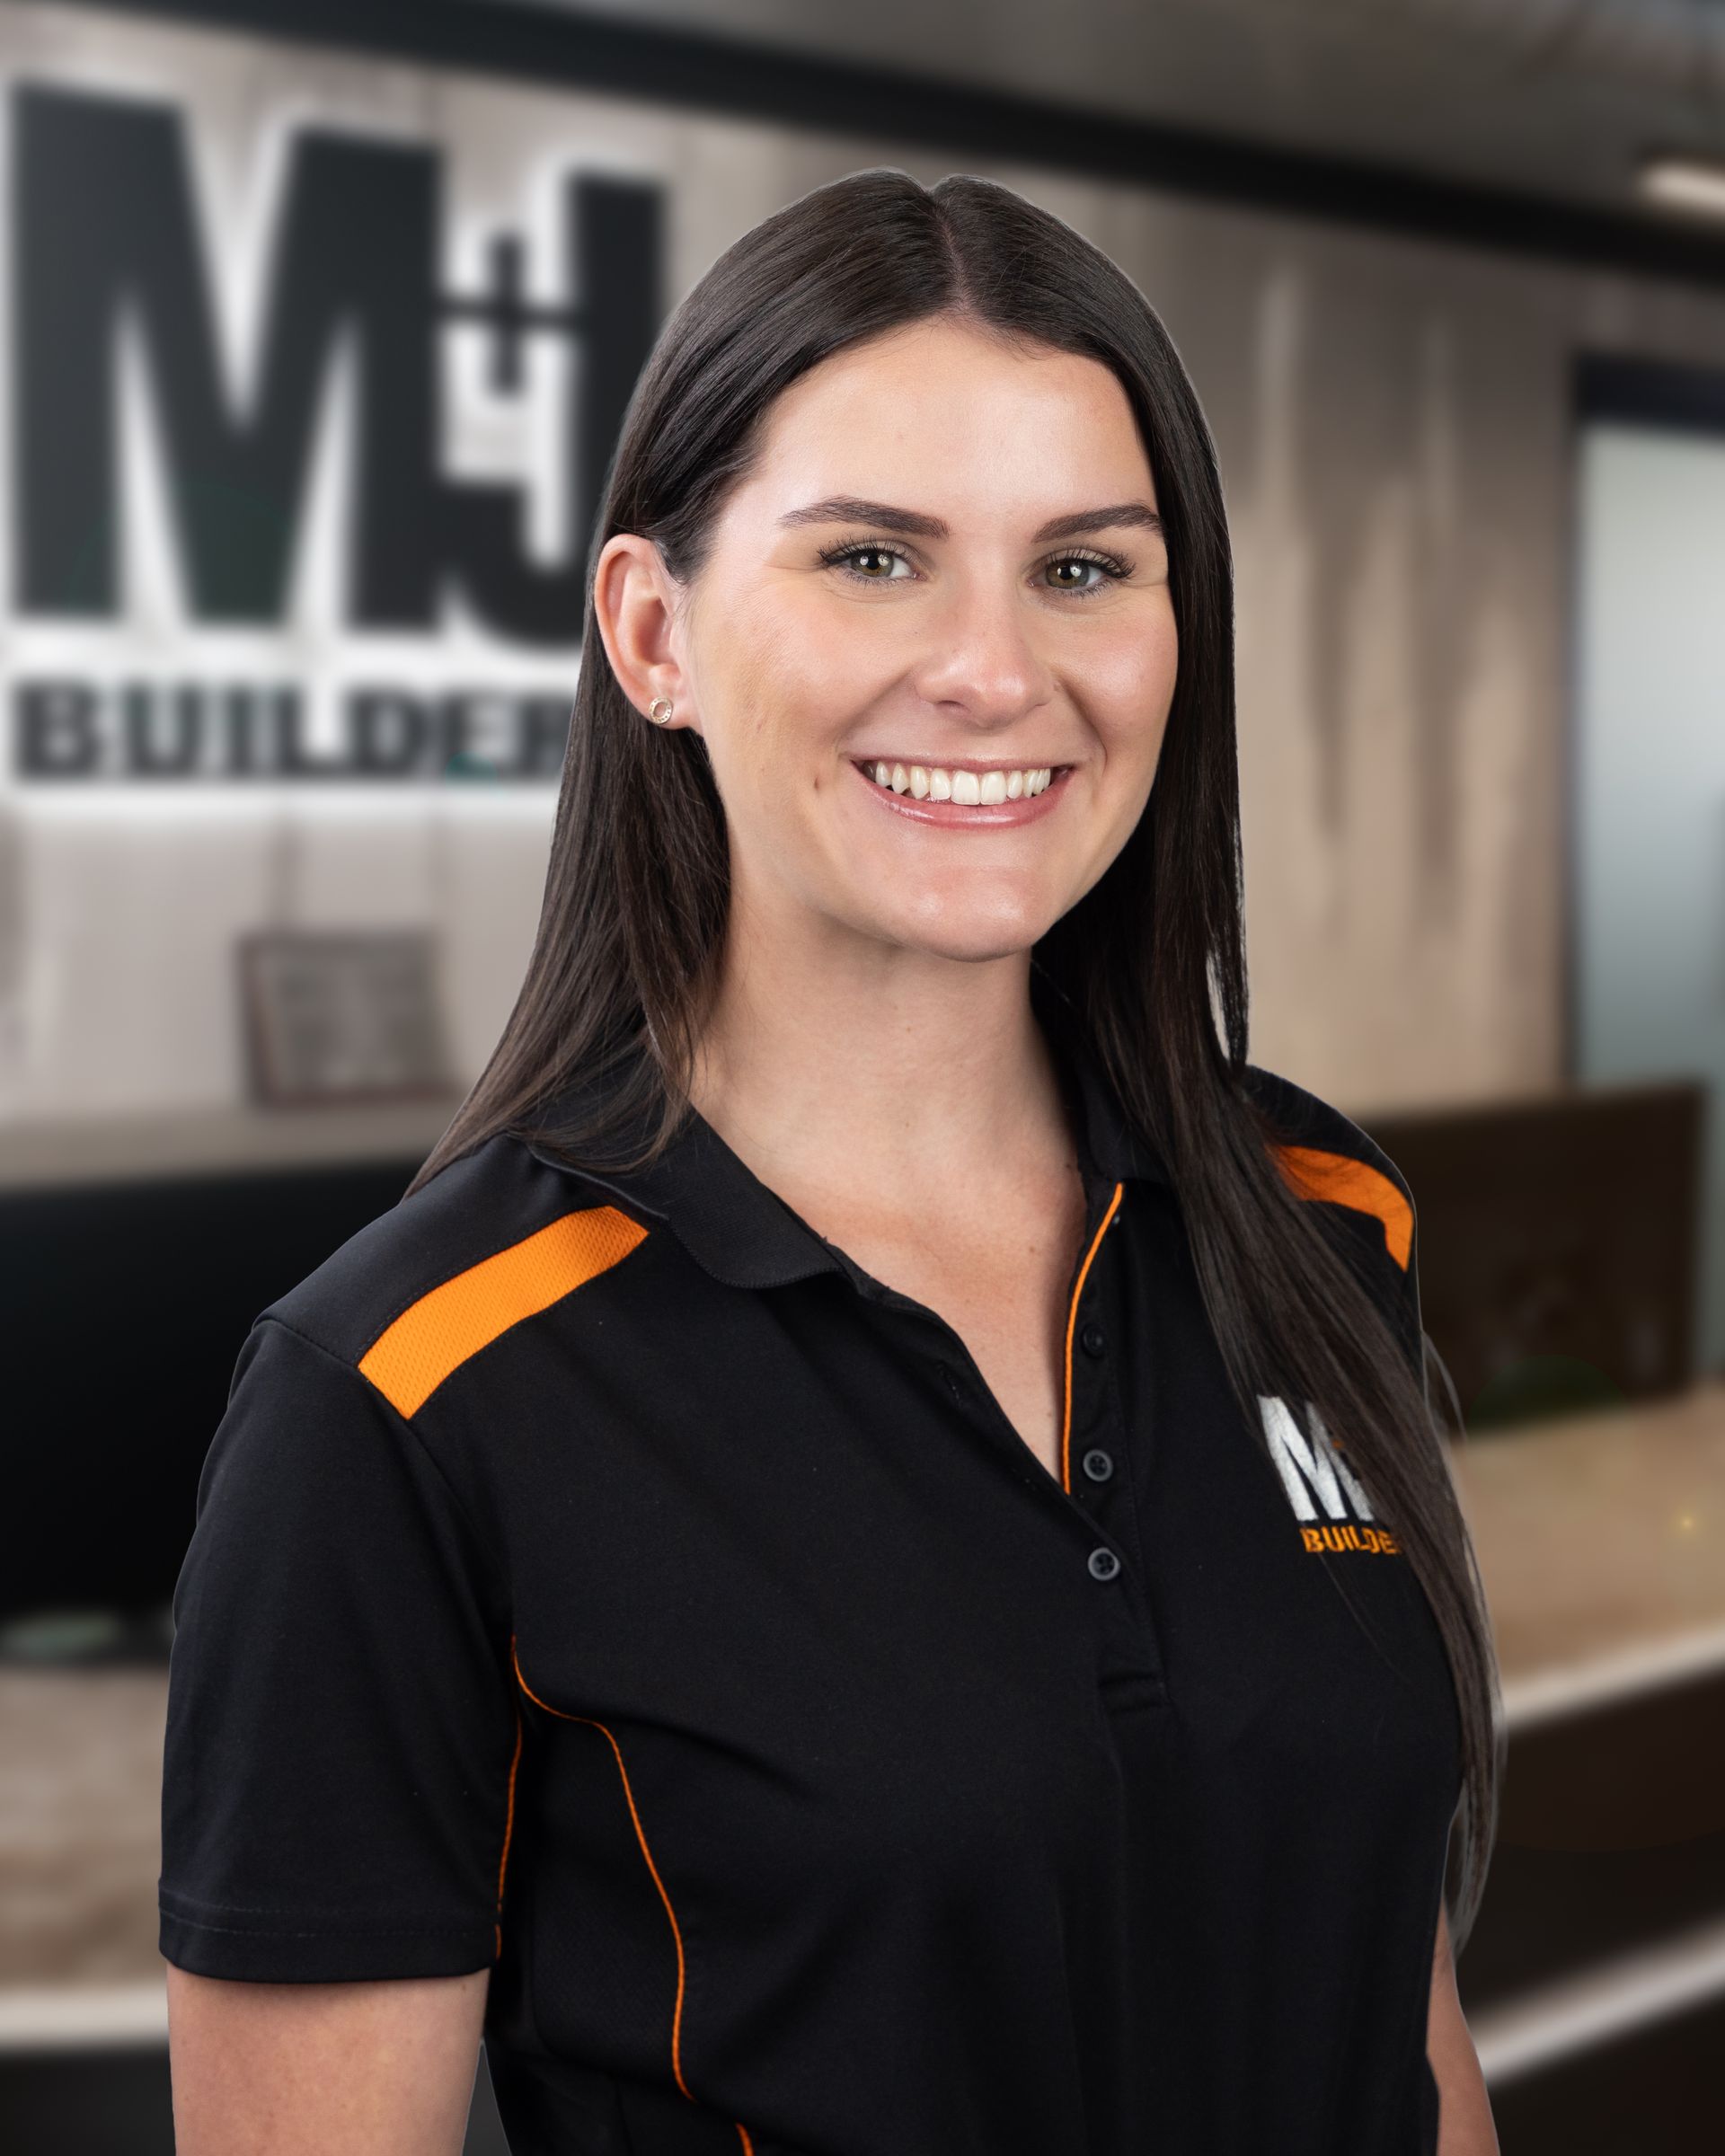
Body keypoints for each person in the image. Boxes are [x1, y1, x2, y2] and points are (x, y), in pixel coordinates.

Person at [159, 168, 1501, 2155]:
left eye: (1083, 567)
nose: (989, 668)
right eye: (873, 559)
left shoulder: (1317, 1221)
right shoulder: (409, 1400)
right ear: (654, 633)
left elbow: (1394, 2007)